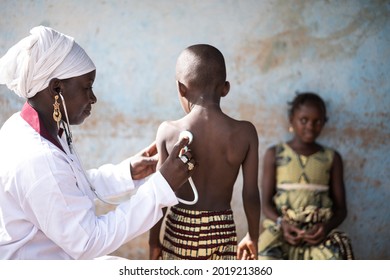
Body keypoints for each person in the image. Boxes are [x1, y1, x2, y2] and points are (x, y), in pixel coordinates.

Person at [0, 26, 196, 260]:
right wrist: (161, 187)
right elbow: (89, 241)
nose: (93, 98)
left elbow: (66, 189)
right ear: (56, 88)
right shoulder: (38, 159)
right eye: (87, 87)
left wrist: (127, 173)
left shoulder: (24, 126)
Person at [148, 44, 260, 260]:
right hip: (222, 232)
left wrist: (154, 241)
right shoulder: (245, 133)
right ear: (225, 88)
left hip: (180, 231)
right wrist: (252, 236)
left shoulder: (168, 131)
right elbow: (251, 194)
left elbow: (160, 196)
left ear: (181, 88)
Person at [258, 92, 354, 260]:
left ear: (324, 123)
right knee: (264, 257)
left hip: (319, 235)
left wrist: (325, 227)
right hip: (283, 232)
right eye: (304, 120)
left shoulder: (332, 158)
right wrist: (283, 224)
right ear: (291, 119)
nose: (310, 126)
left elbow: (341, 210)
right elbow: (265, 205)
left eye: (317, 121)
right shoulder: (275, 154)